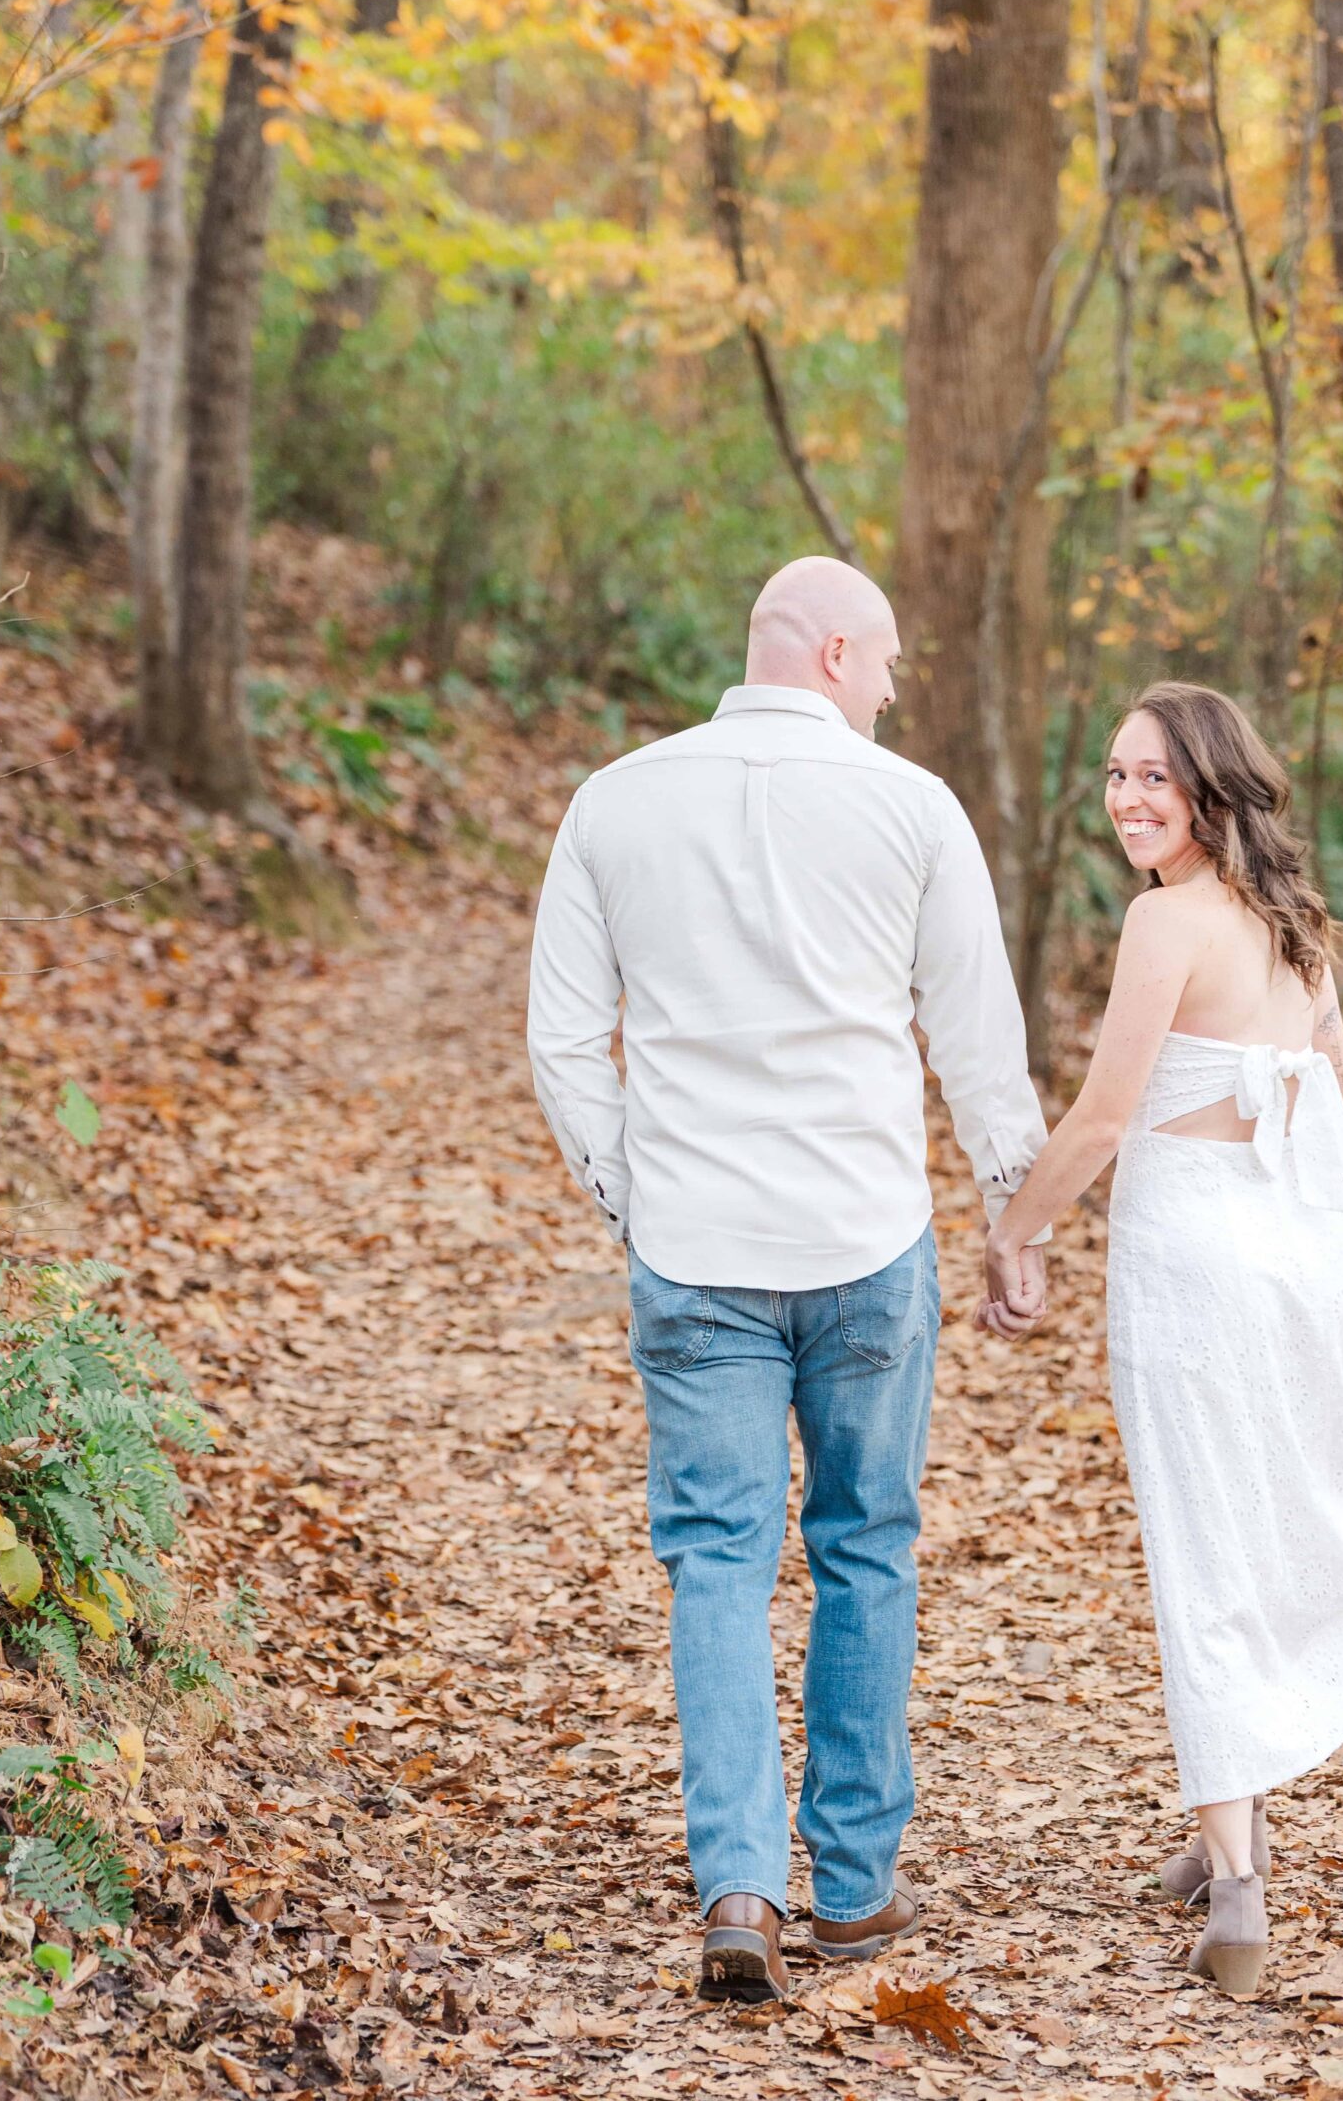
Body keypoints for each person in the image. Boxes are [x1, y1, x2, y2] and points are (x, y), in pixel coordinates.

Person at [527, 557, 1047, 2003]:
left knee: (718, 1561)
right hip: (868, 1245)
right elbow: (977, 1040)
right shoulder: (912, 807)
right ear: (829, 650)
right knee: (867, 1542)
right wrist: (1018, 1216)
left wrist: (634, 1194)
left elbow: (566, 1043)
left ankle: (741, 1889)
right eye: (885, 662)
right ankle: (859, 1889)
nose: (893, 688)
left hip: (696, 1249)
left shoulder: (617, 801)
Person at [976, 681, 1343, 1999]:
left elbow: (1104, 1119)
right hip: (1304, 1262)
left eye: (1155, 777)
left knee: (1205, 1546)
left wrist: (1016, 1234)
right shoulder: (1288, 923)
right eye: (1114, 776)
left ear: (1213, 790)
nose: (1128, 800)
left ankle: (1240, 1892)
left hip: (1204, 1266)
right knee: (1256, 1528)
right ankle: (1233, 1817)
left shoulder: (1167, 923)